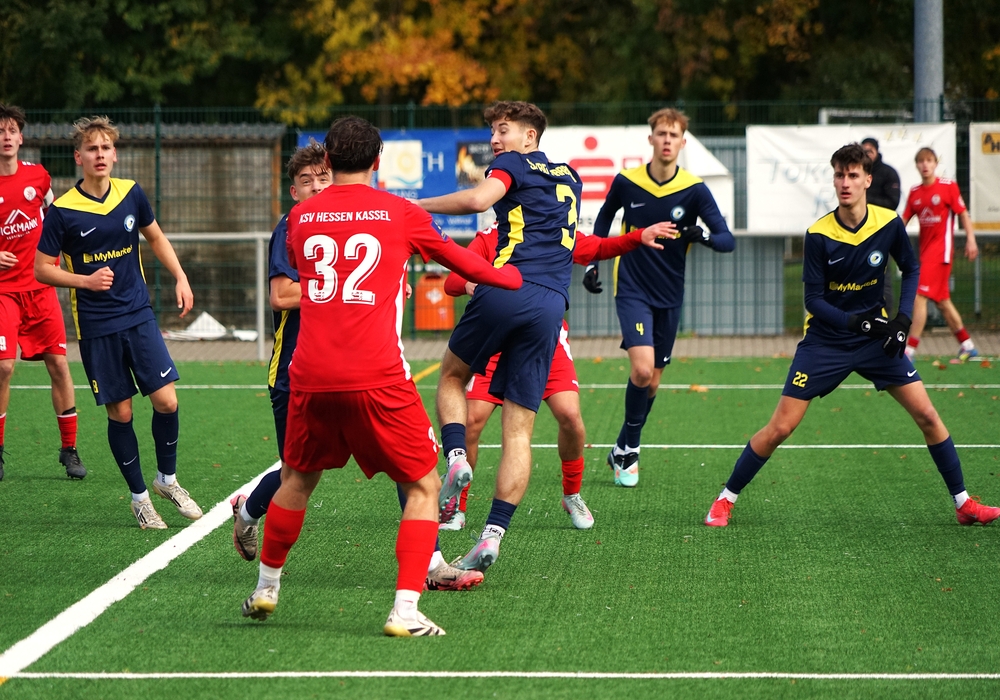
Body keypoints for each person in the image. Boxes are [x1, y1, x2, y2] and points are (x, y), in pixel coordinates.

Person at [239, 116, 522, 637]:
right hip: (378, 375)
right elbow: (461, 262)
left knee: (297, 479)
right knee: (423, 486)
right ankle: (405, 611)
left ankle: (266, 587)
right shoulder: (400, 211)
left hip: (310, 375)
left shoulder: (299, 217)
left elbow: (318, 273)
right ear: (377, 160)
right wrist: (511, 277)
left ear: (328, 162)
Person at [704, 143, 999, 529]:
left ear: (867, 180)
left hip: (876, 340)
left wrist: (903, 319)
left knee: (928, 415)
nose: (845, 182)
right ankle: (725, 500)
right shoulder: (818, 234)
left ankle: (963, 504)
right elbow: (813, 301)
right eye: (839, 175)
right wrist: (857, 323)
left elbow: (911, 269)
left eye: (853, 175)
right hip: (825, 342)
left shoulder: (888, 223)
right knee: (781, 427)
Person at [415, 101, 582, 573]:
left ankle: (456, 458)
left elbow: (476, 201)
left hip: (508, 287)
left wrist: (414, 206)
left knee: (451, 376)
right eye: (492, 130)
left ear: (530, 136)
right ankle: (493, 534)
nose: (494, 139)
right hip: (551, 305)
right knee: (520, 431)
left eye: (503, 129)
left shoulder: (512, 164)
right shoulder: (570, 176)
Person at [440, 220, 674, 533]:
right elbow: (453, 281)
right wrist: (474, 284)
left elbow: (599, 247)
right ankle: (457, 505)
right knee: (472, 420)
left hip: (545, 339)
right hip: (496, 340)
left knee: (571, 418)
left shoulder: (556, 230)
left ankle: (571, 494)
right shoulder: (491, 236)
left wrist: (637, 236)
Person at [35, 116, 201, 529]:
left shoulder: (131, 193)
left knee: (167, 401)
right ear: (78, 157)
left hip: (138, 314)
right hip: (97, 325)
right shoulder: (63, 211)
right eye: (92, 149)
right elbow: (42, 268)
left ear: (115, 154)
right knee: (122, 413)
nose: (100, 155)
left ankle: (167, 481)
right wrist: (85, 281)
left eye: (106, 148)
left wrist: (180, 276)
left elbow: (155, 237)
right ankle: (140, 498)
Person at [583, 108, 734, 488]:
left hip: (670, 293)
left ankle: (620, 446)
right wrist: (592, 262)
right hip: (631, 288)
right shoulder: (627, 181)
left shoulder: (694, 189)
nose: (667, 140)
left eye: (674, 135)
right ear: (651, 139)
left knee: (651, 383)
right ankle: (631, 452)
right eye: (662, 133)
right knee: (642, 370)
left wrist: (703, 237)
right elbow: (603, 220)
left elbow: (726, 240)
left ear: (683, 142)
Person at [0, 103, 86, 482]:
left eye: (11, 131)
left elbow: (55, 218)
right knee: (3, 367)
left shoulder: (38, 177)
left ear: (21, 137)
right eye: (0, 131)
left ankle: (69, 449)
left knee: (59, 364)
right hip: (4, 292)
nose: (6, 137)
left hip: (41, 287)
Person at [901, 147, 979, 363]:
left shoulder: (947, 186)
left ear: (935, 164)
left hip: (941, 252)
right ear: (917, 166)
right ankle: (967, 345)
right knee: (942, 301)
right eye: (921, 161)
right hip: (926, 253)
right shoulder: (915, 192)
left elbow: (963, 213)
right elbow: (903, 220)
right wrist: (888, 239)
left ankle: (909, 350)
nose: (925, 165)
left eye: (929, 160)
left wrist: (971, 239)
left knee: (919, 295)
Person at [861, 137, 902, 314]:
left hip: (881, 232)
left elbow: (892, 202)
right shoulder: (858, 173)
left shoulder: (888, 173)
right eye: (864, 151)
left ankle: (885, 316)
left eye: (870, 151)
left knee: (882, 277)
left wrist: (866, 201)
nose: (867, 155)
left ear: (877, 152)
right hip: (859, 232)